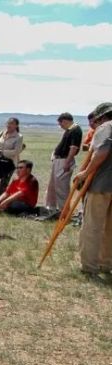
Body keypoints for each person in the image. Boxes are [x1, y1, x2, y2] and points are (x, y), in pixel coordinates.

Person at [73, 102, 112, 275]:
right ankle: (106, 263)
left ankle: (89, 266)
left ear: (102, 117)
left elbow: (102, 151)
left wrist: (85, 172)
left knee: (93, 225)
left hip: (101, 184)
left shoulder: (105, 127)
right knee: (110, 227)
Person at [44, 112, 83, 214]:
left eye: (60, 123)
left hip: (64, 160)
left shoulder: (75, 130)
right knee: (53, 186)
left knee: (61, 187)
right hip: (59, 160)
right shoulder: (69, 130)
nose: (60, 126)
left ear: (65, 121)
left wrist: (67, 162)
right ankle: (52, 208)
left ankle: (64, 211)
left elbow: (73, 148)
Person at [0, 117, 24, 196]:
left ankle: (0, 203)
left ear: (16, 126)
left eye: (12, 123)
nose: (9, 125)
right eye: (8, 123)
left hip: (9, 163)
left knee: (4, 184)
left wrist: (2, 152)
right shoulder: (1, 133)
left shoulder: (18, 137)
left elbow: (16, 151)